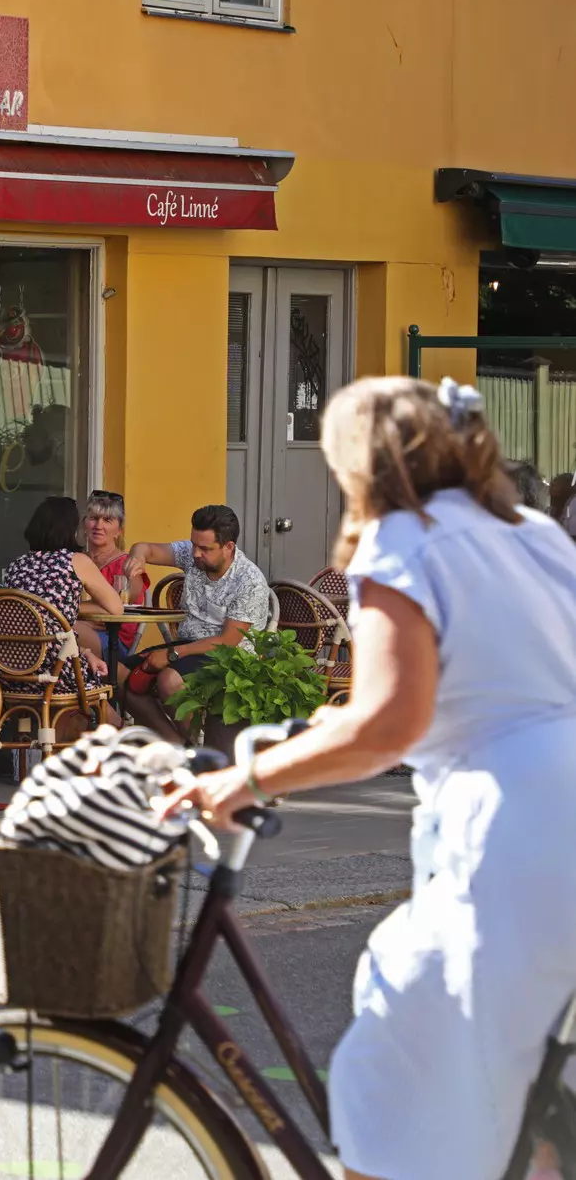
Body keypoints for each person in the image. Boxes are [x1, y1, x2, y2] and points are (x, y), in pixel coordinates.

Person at [158, 377, 576, 1180]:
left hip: (513, 834)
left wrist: (244, 778)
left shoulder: (404, 541)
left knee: (388, 1071)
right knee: (515, 1100)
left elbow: (386, 722)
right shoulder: (531, 531)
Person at [120, 504, 273, 737]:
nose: (195, 553)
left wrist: (173, 655)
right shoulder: (194, 555)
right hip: (188, 646)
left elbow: (229, 640)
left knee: (169, 680)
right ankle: (175, 743)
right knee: (118, 673)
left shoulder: (249, 580)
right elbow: (144, 548)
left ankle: (197, 744)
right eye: (193, 544)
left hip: (229, 658)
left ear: (229, 547)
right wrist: (138, 558)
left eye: (205, 548)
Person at [0, 496, 126, 727]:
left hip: (10, 672)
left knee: (85, 665)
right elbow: (116, 608)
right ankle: (120, 751)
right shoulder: (75, 561)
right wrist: (70, 606)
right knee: (108, 712)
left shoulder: (16, 565)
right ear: (72, 529)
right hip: (55, 672)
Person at [82, 489, 149, 650]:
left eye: (107, 520)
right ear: (85, 524)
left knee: (61, 630)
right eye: (94, 518)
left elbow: (120, 604)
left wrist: (74, 614)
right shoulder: (76, 559)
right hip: (80, 630)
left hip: (114, 640)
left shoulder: (127, 563)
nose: (99, 526)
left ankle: (122, 673)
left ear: (119, 530)